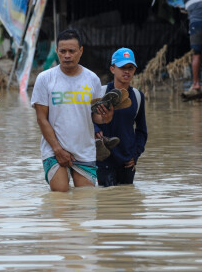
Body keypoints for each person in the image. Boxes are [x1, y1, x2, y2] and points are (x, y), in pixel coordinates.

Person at [31, 29, 114, 192]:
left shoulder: (92, 79)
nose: (67, 55)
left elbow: (95, 117)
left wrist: (106, 117)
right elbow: (42, 119)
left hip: (84, 150)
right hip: (53, 150)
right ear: (56, 51)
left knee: (85, 201)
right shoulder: (45, 78)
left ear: (80, 51)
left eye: (71, 51)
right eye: (63, 51)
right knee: (60, 196)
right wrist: (57, 149)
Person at [94, 48, 148, 187]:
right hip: (103, 159)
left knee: (126, 203)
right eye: (122, 67)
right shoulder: (99, 92)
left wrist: (135, 155)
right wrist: (95, 129)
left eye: (130, 68)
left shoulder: (137, 96)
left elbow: (142, 130)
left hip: (127, 161)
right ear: (112, 69)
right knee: (106, 200)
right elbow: (85, 119)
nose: (127, 71)